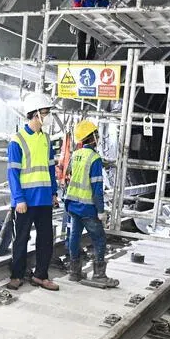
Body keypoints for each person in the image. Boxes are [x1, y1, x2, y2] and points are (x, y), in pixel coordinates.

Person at [8, 92, 60, 291]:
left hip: (44, 199)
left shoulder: (46, 139)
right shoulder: (17, 140)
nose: (47, 117)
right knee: (21, 239)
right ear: (35, 113)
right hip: (25, 201)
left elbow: (50, 168)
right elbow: (13, 173)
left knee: (46, 239)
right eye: (45, 113)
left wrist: (54, 192)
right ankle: (17, 275)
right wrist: (18, 198)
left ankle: (41, 276)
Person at [64, 119, 119, 288]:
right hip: (87, 207)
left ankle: (74, 272)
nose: (98, 137)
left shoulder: (76, 155)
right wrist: (101, 210)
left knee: (74, 237)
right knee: (99, 238)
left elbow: (70, 175)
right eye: (97, 134)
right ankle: (99, 275)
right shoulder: (94, 158)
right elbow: (96, 188)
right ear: (92, 137)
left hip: (73, 204)